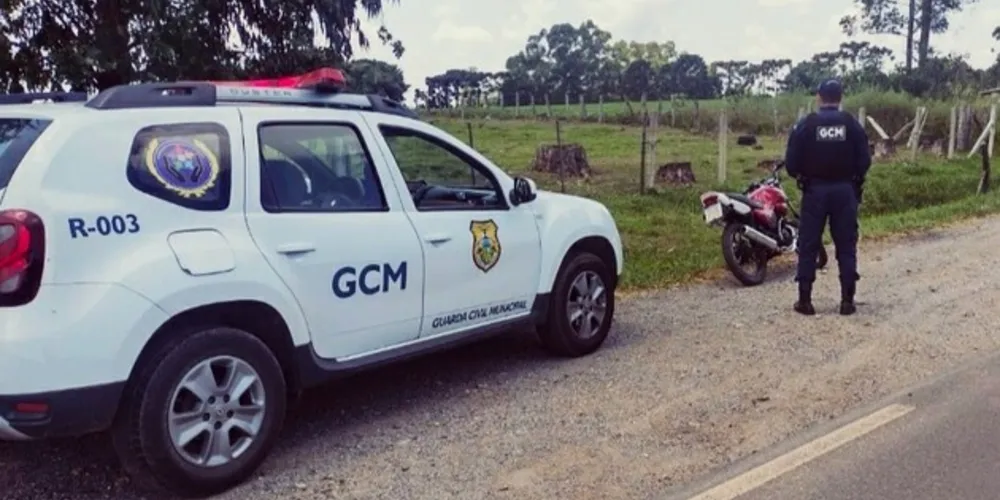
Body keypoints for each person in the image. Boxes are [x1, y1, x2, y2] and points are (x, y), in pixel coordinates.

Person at [784, 79, 871, 316]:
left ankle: (805, 300)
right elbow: (865, 161)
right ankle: (847, 301)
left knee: (809, 243)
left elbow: (791, 164)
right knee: (846, 244)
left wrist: (804, 175)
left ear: (819, 97)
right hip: (845, 191)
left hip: (815, 191)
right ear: (840, 97)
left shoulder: (806, 125)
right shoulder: (851, 125)